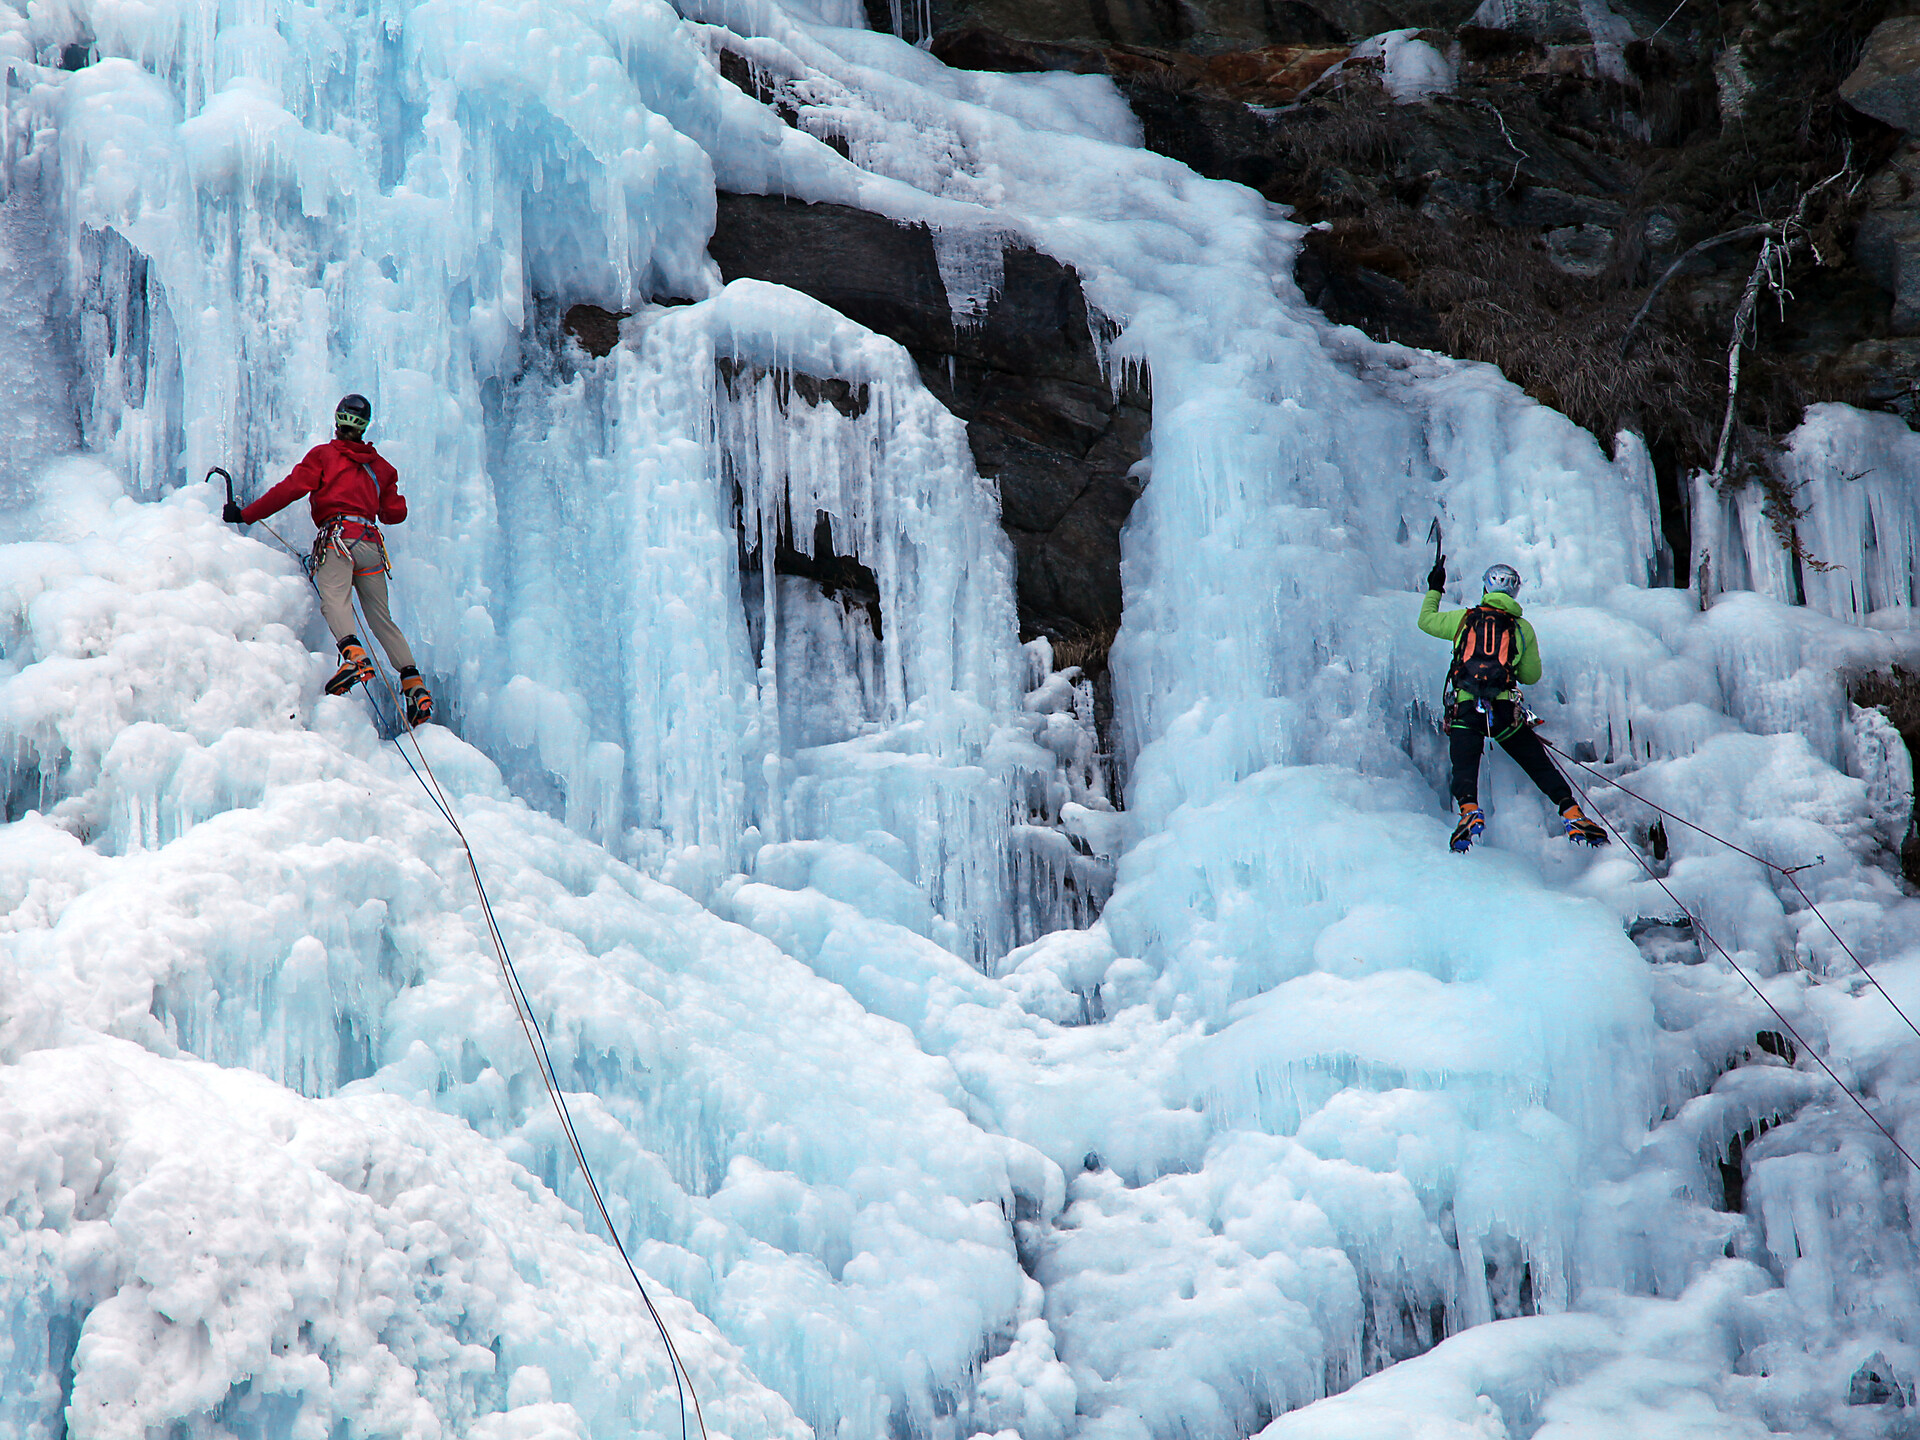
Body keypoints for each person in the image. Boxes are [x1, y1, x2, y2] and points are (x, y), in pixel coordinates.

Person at [225, 394, 433, 727]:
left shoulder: (324, 456)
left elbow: (289, 490)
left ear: (337, 421)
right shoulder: (381, 468)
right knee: (381, 619)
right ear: (365, 426)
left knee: (335, 600)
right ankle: (414, 685)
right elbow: (395, 513)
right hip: (370, 545)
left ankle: (354, 658)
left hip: (337, 539)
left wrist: (246, 514)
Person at [1419, 555, 1607, 852]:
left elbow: (1425, 621)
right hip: (1503, 712)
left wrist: (1435, 588)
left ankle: (1468, 811)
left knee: (1464, 764)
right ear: (1514, 593)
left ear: (1485, 588)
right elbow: (1531, 675)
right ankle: (1570, 811)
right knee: (1537, 762)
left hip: (1466, 709)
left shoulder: (1464, 619)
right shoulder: (1521, 628)